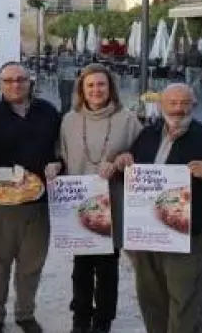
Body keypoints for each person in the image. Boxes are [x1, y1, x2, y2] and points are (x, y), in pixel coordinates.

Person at [112, 83, 202, 333]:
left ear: (194, 105)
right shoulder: (148, 135)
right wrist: (122, 163)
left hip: (186, 234)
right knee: (151, 299)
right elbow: (130, 176)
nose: (178, 109)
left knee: (185, 300)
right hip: (147, 234)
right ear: (162, 105)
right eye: (172, 103)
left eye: (184, 103)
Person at [0, 62, 62, 333]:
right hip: (1, 205)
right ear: (0, 84)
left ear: (30, 82)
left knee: (32, 263)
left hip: (40, 201)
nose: (15, 85)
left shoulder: (48, 112)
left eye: (21, 79)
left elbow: (60, 148)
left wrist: (59, 163)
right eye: (8, 80)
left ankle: (25, 313)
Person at [59, 64, 142, 333]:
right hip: (79, 205)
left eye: (101, 84)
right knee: (81, 267)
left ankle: (103, 322)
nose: (96, 90)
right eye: (90, 85)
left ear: (111, 88)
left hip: (113, 203)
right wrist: (54, 164)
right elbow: (61, 155)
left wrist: (125, 159)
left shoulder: (128, 120)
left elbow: (143, 157)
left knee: (107, 268)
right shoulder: (69, 120)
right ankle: (80, 320)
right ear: (82, 90)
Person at [56, 48, 79, 114]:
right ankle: (68, 111)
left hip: (64, 80)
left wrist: (59, 81)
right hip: (72, 79)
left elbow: (60, 72)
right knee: (69, 97)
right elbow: (76, 70)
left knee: (64, 97)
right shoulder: (72, 59)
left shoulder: (61, 59)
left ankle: (64, 112)